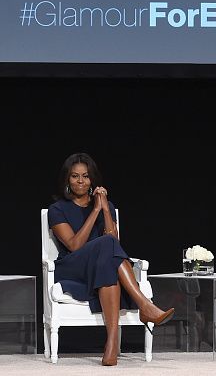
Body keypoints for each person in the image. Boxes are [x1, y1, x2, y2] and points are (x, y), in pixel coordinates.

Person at [47, 153, 174, 366]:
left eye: (85, 176)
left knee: (109, 261)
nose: (80, 181)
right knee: (107, 247)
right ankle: (144, 304)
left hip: (101, 268)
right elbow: (75, 246)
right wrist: (95, 210)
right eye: (75, 176)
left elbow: (115, 243)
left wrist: (105, 208)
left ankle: (112, 344)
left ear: (92, 179)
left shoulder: (108, 205)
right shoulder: (57, 209)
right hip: (72, 267)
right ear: (67, 180)